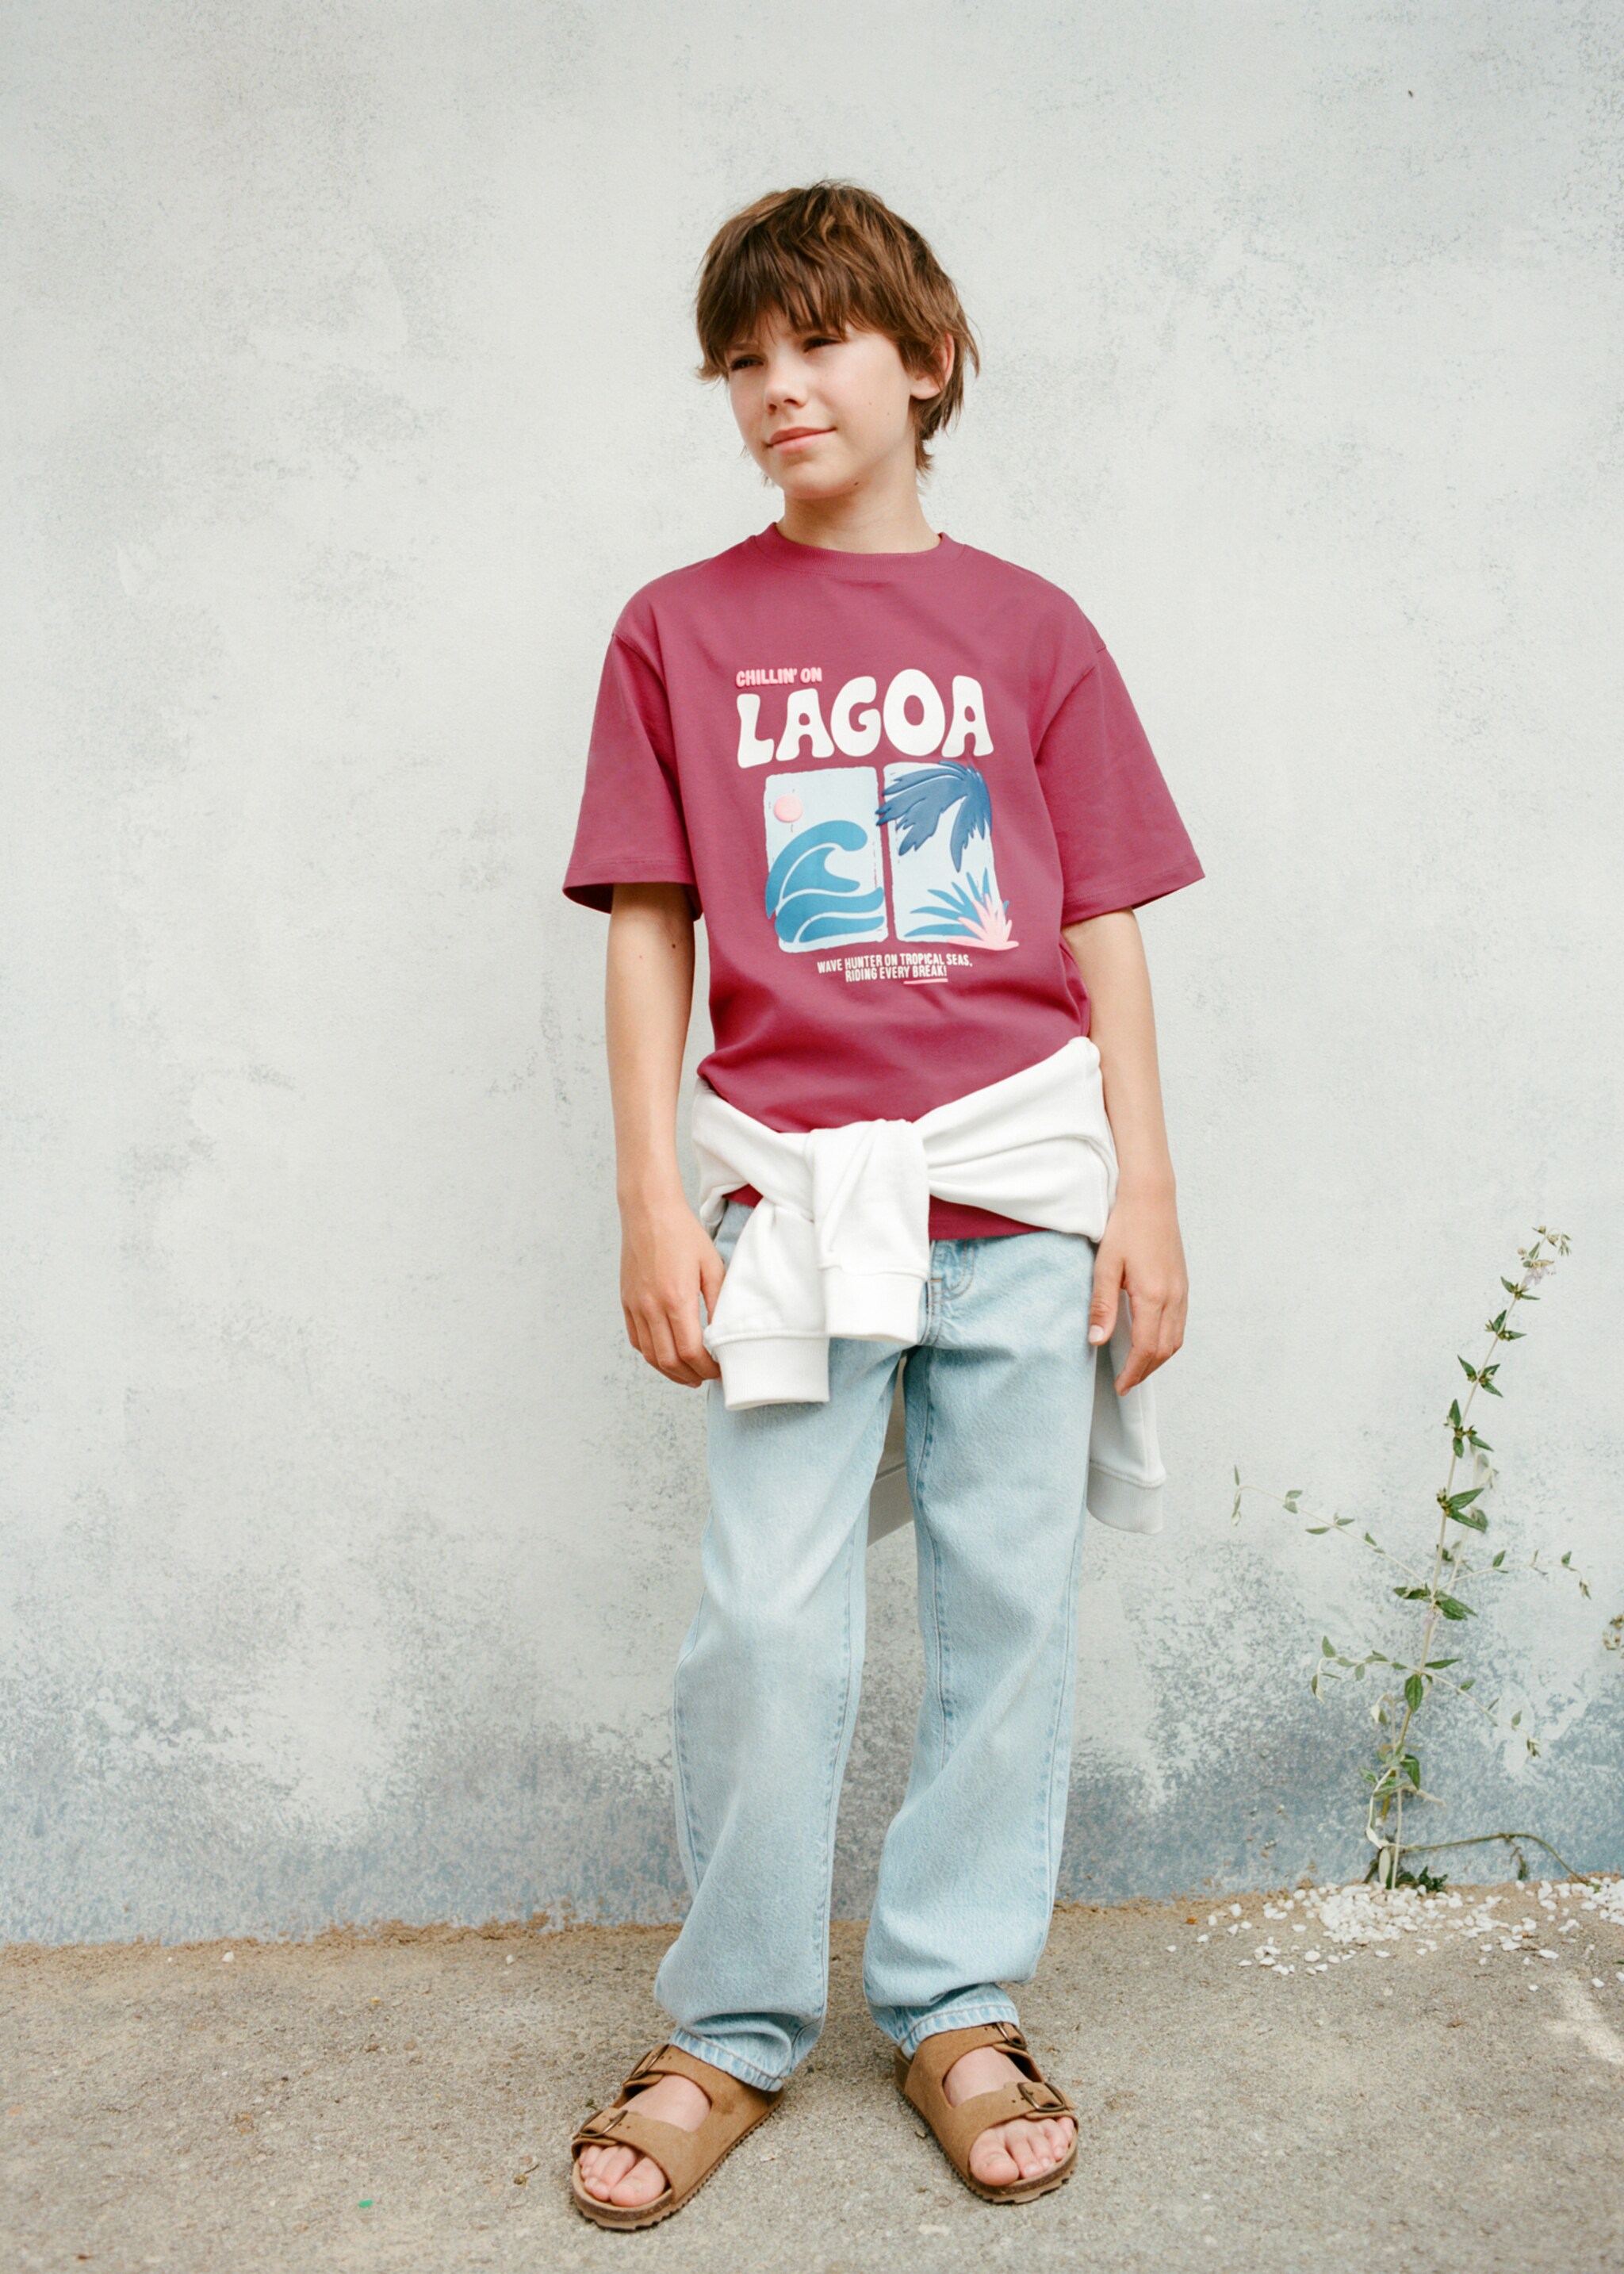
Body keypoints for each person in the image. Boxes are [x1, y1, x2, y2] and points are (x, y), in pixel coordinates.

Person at [560, 180, 1205, 2230]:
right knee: (765, 1611)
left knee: (1010, 1604)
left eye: (818, 343)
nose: (777, 388)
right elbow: (650, 927)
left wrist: (1149, 1197)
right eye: (742, 360)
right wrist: (656, 1193)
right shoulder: (678, 629)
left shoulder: (1036, 629)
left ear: (923, 359)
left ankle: (950, 1992)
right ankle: (736, 2019)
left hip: (1022, 1181)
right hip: (795, 1195)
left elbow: (1101, 929)